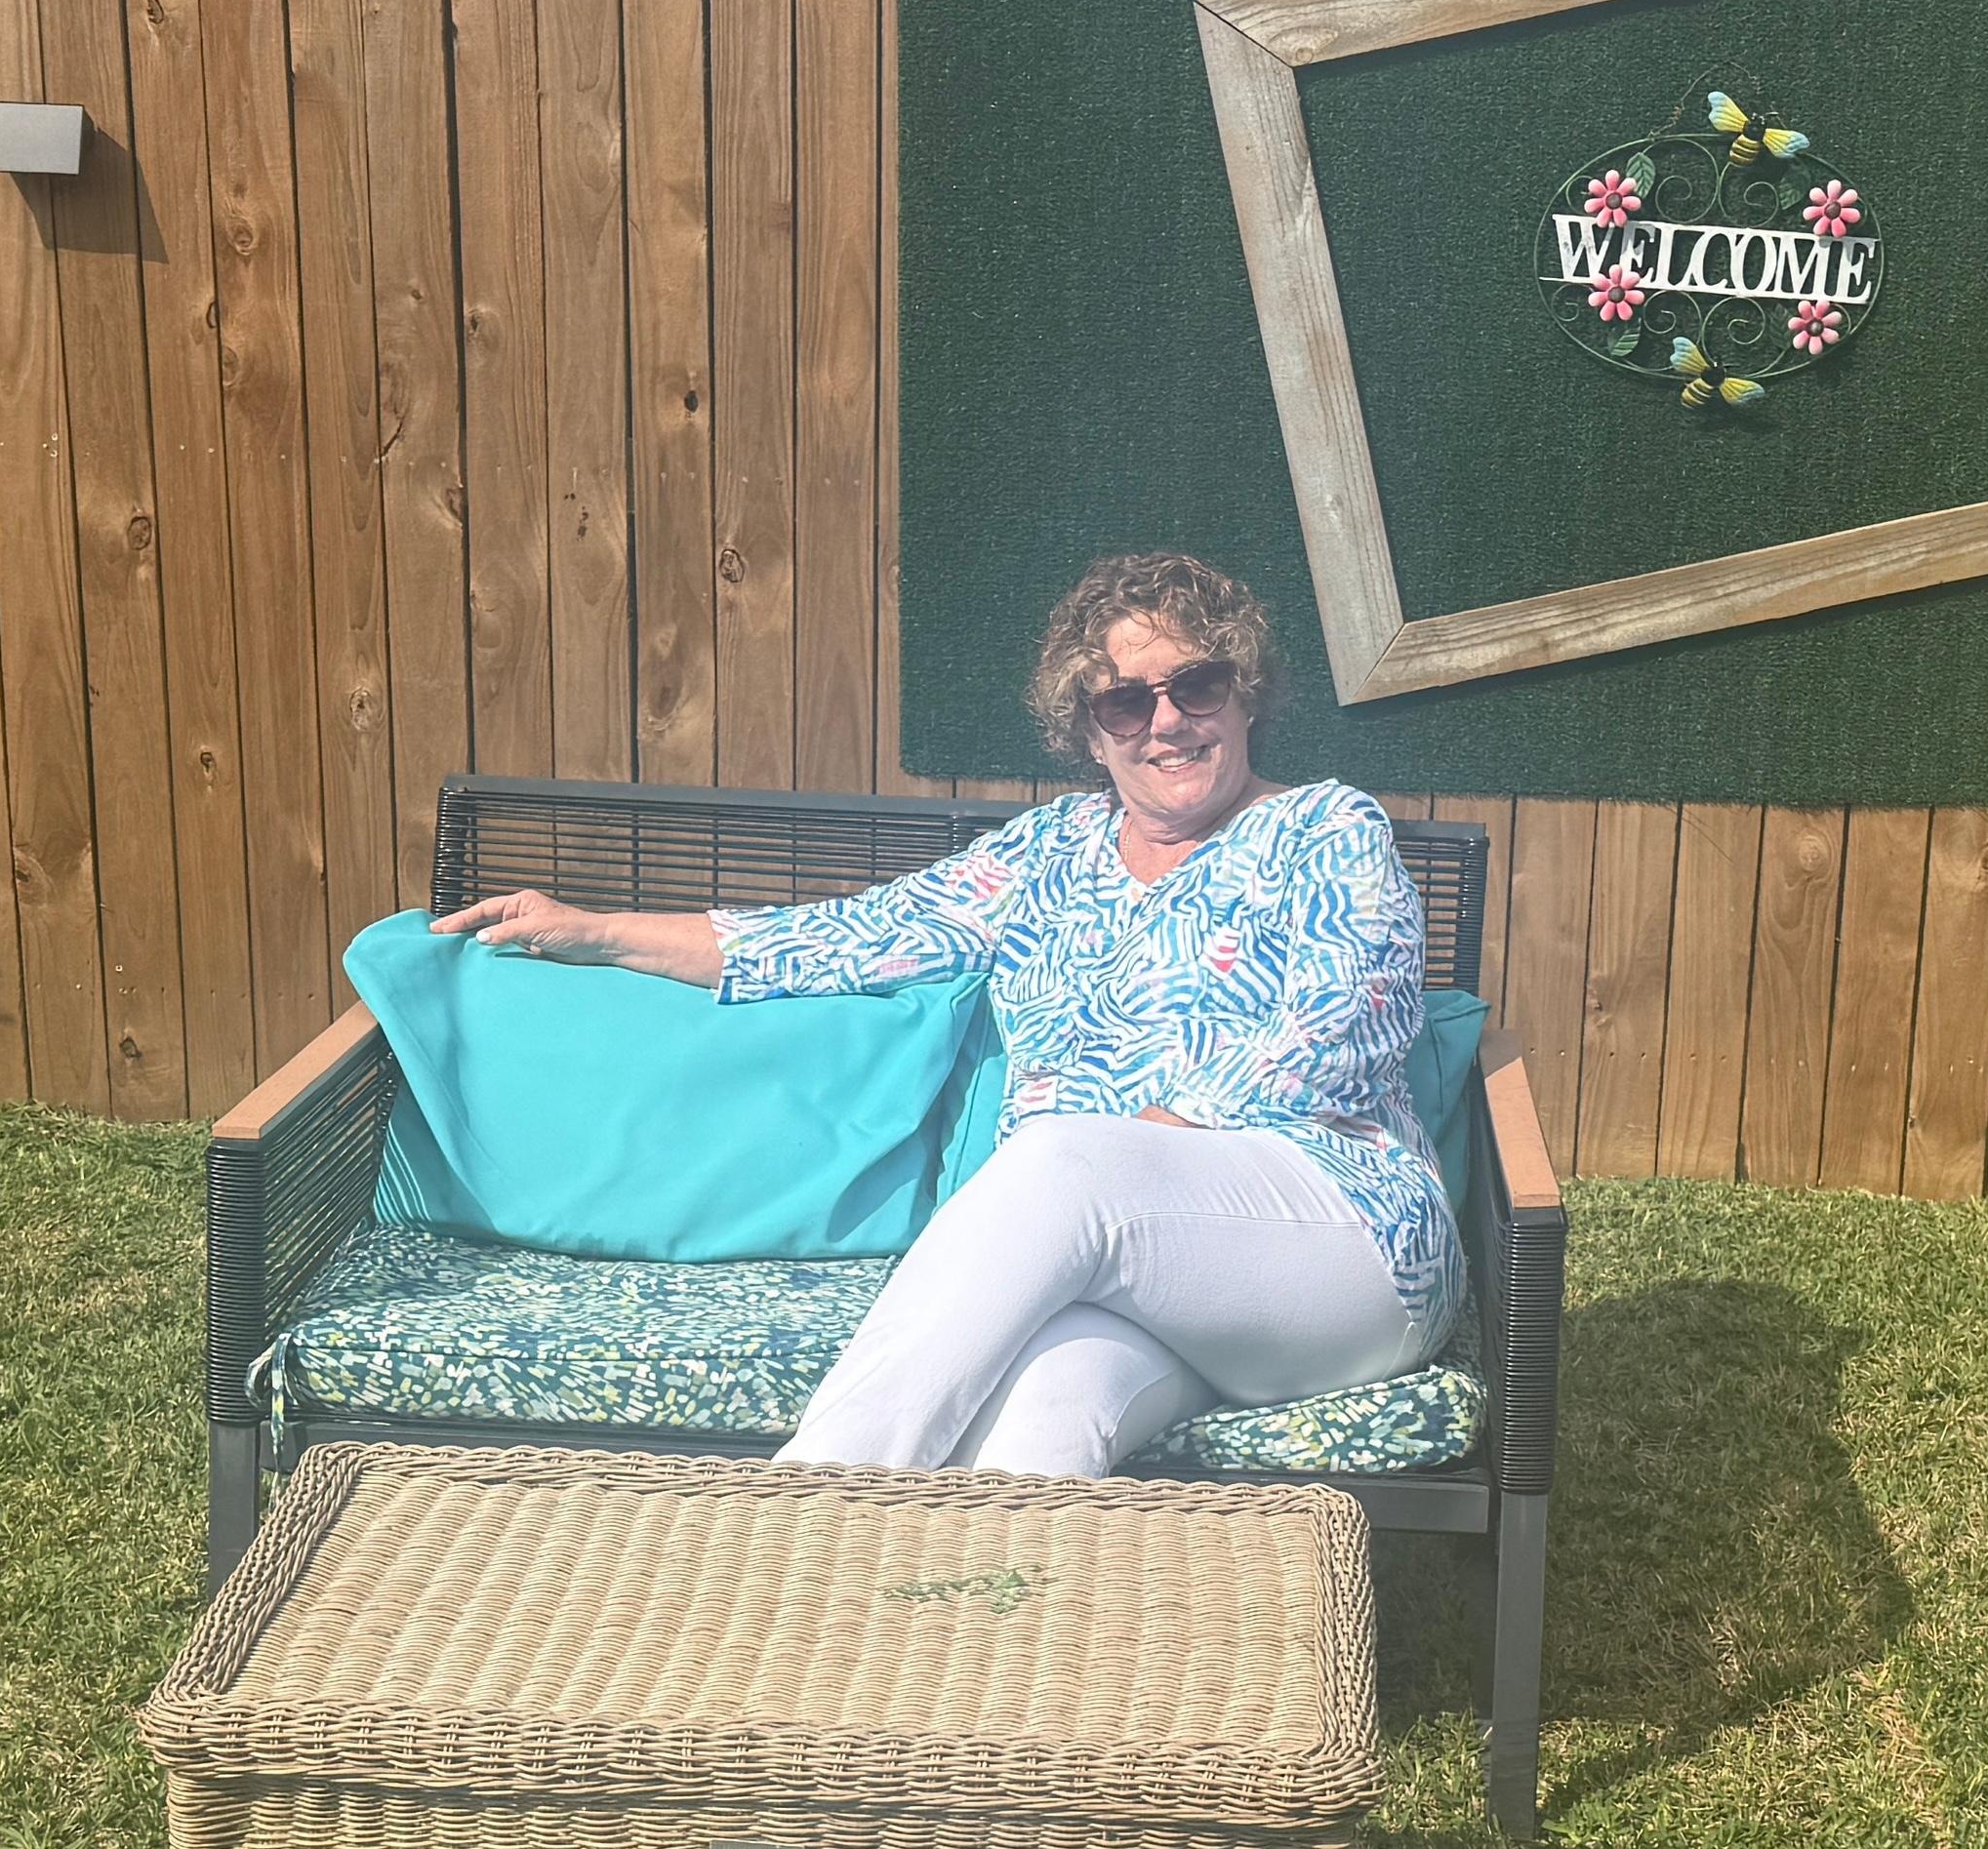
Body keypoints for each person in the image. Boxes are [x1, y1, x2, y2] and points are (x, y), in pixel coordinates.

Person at [432, 549, 1449, 1478]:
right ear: (1086, 732)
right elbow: (840, 939)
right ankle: (936, 1663)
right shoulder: (1042, 857)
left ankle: (790, 1518)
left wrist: (1139, 1149)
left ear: (1243, 692)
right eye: (1124, 704)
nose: (1166, 722)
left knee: (1061, 1157)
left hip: (1339, 1242)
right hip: (1138, 1277)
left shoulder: (1323, 826)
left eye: (1195, 685)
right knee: (1038, 1421)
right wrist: (598, 930)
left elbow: (1344, 1014)